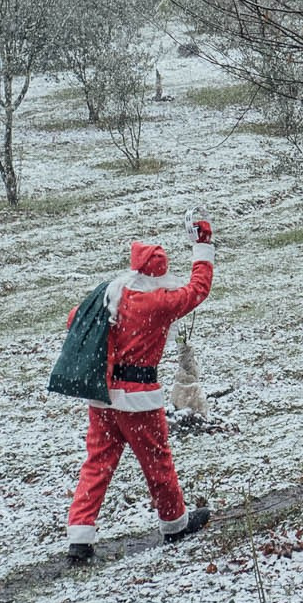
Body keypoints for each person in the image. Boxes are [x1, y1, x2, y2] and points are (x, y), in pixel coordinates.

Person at [64, 218, 215, 563]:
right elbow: (198, 289)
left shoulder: (111, 293)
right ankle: (174, 523)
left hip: (102, 395)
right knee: (157, 462)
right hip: (138, 398)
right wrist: (203, 244)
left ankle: (80, 537)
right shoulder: (158, 303)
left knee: (97, 464)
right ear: (159, 273)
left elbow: (75, 318)